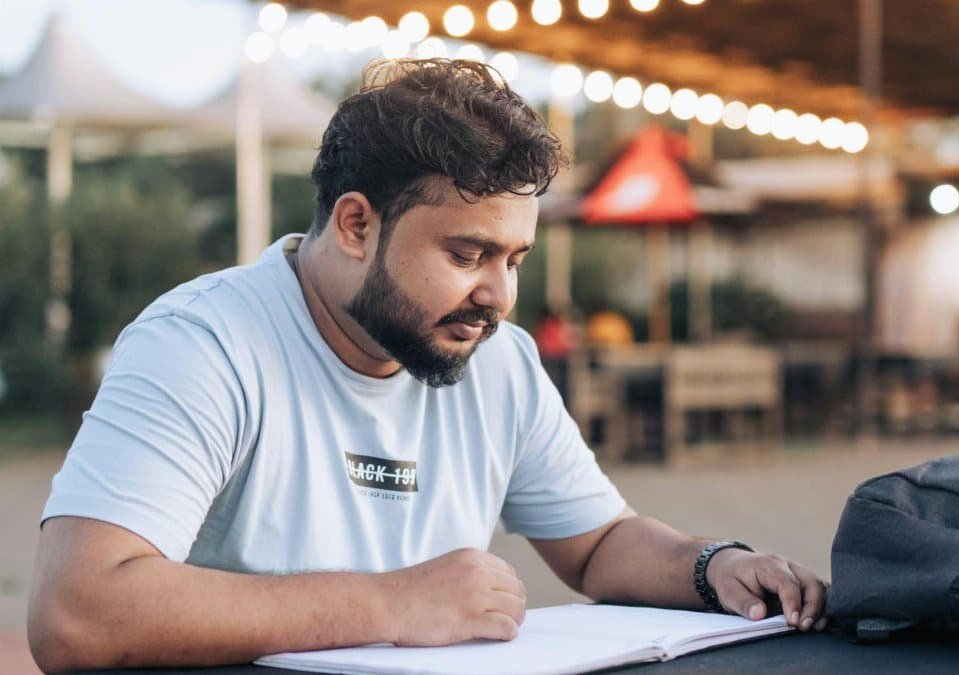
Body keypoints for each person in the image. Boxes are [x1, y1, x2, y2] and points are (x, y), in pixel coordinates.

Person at [26, 59, 826, 672]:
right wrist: (391, 601)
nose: (500, 296)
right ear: (355, 224)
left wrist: (713, 564)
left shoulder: (499, 361)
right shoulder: (203, 345)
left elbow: (599, 543)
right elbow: (77, 610)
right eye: (467, 252)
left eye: (514, 258)